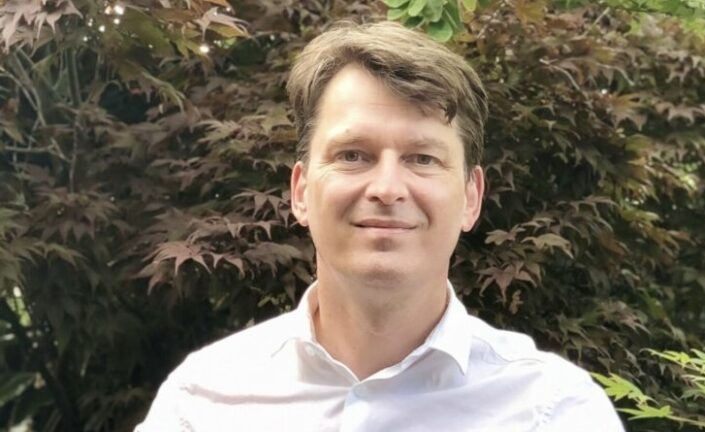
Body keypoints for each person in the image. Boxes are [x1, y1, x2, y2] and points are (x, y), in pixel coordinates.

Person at [135, 21, 624, 432]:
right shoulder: (201, 405)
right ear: (300, 192)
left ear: (471, 198)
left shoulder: (556, 412)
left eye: (423, 158)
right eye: (353, 155)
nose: (388, 187)